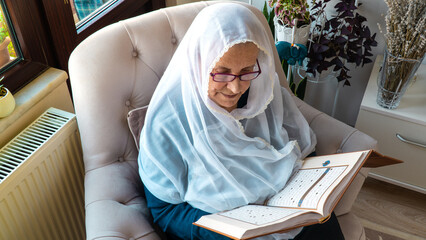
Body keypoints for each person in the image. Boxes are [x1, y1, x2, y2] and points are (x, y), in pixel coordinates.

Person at [138, 3, 344, 240]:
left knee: (324, 221)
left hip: (283, 208)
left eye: (247, 70)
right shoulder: (166, 123)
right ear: (199, 63)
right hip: (223, 231)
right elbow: (164, 211)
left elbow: (298, 141)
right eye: (222, 73)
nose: (236, 87)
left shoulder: (261, 91)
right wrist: (222, 234)